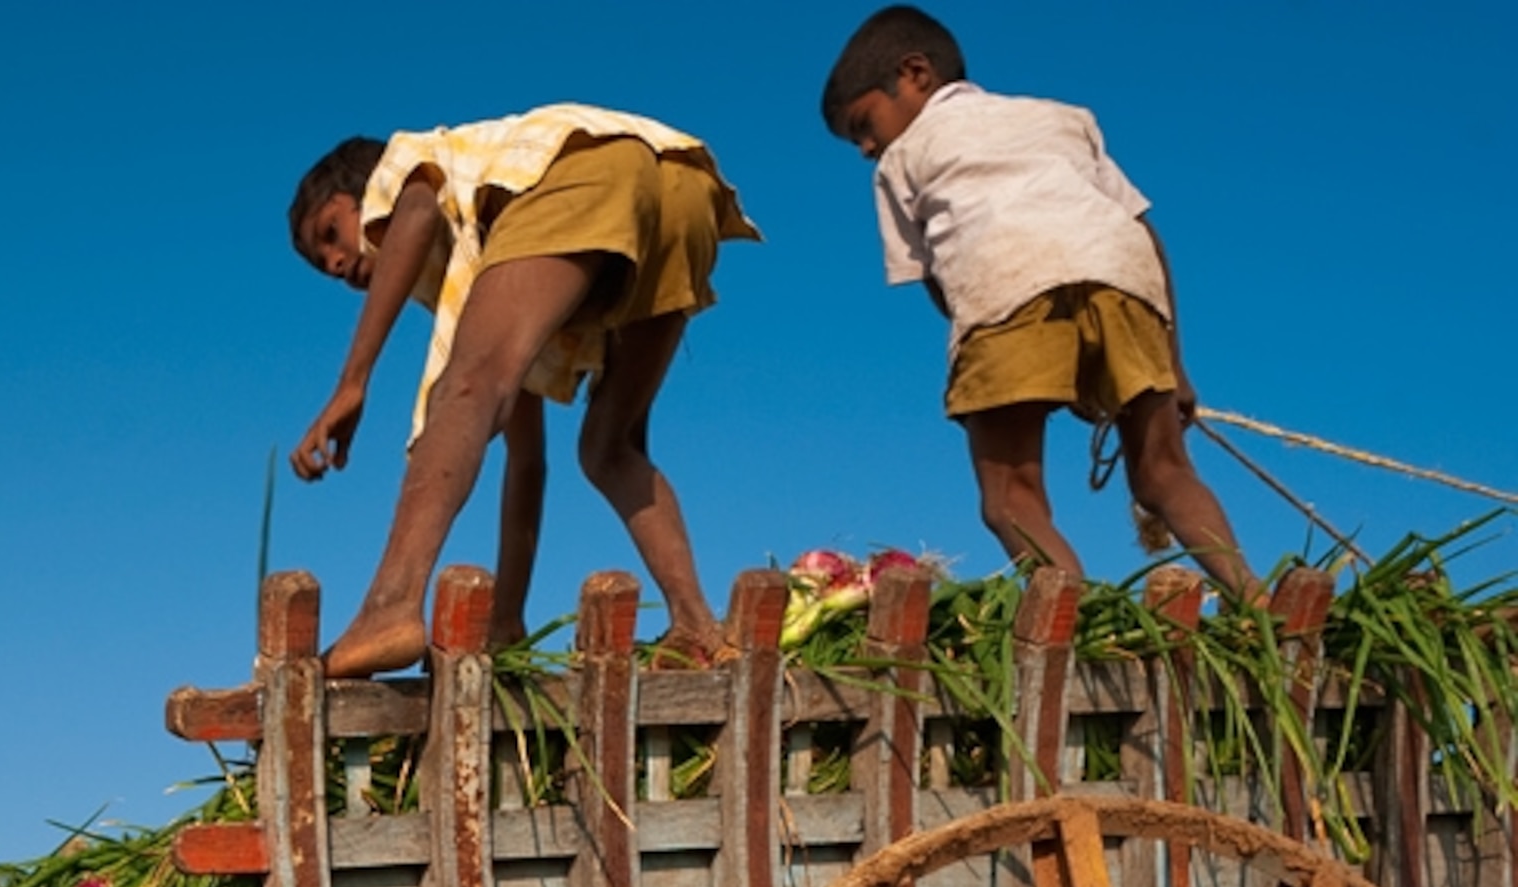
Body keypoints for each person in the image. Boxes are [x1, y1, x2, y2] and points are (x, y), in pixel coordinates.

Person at [287, 109, 758, 676]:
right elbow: (526, 461)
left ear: (361, 188)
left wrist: (353, 382)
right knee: (609, 447)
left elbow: (414, 215)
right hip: (683, 188)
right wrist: (507, 615)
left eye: (331, 233)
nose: (336, 263)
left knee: (464, 388)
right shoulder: (492, 260)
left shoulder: (407, 167)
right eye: (323, 266)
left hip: (589, 166)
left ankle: (389, 606)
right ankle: (698, 625)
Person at [820, 7, 1256, 594]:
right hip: (1124, 279)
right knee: (1164, 472)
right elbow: (1145, 233)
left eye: (864, 124)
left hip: (1005, 283)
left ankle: (1076, 619)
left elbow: (944, 285)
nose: (867, 147)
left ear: (916, 74)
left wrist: (1027, 360)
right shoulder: (1062, 117)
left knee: (1009, 500)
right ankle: (1258, 604)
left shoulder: (901, 160)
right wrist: (1173, 367)